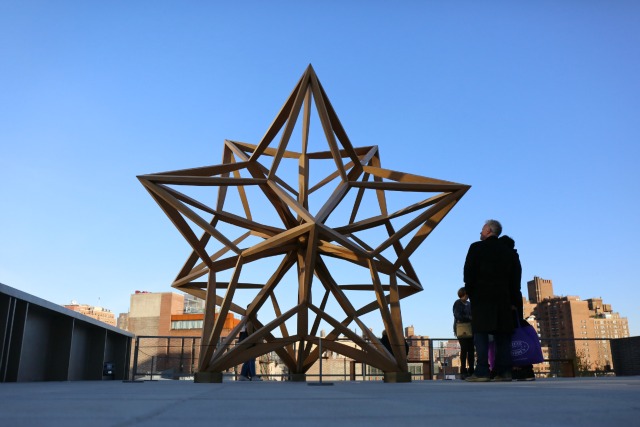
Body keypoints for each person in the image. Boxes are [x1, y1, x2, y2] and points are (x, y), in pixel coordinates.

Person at [463, 219, 521, 382]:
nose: (480, 232)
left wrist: (472, 293)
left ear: (489, 230)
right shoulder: (508, 252)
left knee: (481, 333)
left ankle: (482, 370)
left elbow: (468, 273)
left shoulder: (476, 248)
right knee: (502, 335)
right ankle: (503, 371)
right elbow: (515, 280)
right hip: (503, 299)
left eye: (482, 229)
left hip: (482, 298)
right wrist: (513, 302)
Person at [500, 235, 535, 381]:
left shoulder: (509, 260)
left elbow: (512, 284)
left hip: (510, 301)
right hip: (514, 301)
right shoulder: (515, 258)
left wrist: (511, 303)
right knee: (516, 335)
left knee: (512, 336)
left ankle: (522, 369)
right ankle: (523, 369)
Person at [453, 287, 474, 379]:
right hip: (461, 329)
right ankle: (463, 370)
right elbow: (457, 315)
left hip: (469, 328)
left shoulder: (469, 304)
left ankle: (471, 370)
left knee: (471, 350)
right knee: (464, 349)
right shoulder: (458, 303)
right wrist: (469, 318)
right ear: (464, 294)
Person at [238, 310, 262, 381]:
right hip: (251, 343)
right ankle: (252, 376)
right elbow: (250, 333)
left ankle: (243, 375)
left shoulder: (246, 321)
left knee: (248, 360)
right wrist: (255, 341)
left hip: (247, 343)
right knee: (251, 359)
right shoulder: (251, 322)